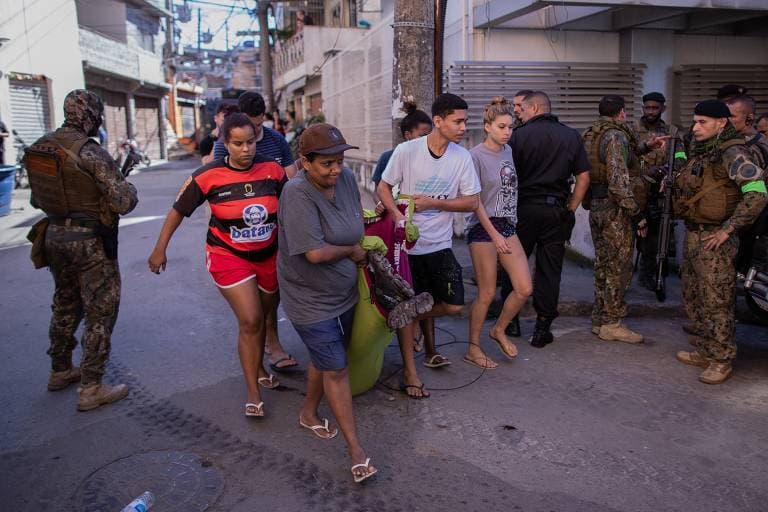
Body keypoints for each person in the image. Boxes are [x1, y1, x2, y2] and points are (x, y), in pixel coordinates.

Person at [148, 113, 287, 416]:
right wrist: (160, 249)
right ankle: (253, 394)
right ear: (225, 142)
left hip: (269, 256)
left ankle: (259, 367)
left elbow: (291, 208)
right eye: (237, 143)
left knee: (264, 315)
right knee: (250, 320)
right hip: (228, 256)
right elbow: (177, 211)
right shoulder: (207, 175)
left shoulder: (273, 171)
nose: (245, 149)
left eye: (250, 142)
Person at [24, 89, 138, 410]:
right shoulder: (90, 152)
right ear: (91, 115)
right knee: (100, 310)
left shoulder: (40, 147)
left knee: (65, 302)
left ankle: (60, 370)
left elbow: (36, 200)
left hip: (54, 237)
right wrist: (126, 185)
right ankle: (92, 387)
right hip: (89, 242)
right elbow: (123, 202)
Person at [277, 123, 377, 483]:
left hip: (344, 291)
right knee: (336, 368)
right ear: (305, 162)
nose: (335, 170)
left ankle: (308, 413)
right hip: (308, 297)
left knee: (327, 359)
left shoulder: (346, 179)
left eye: (339, 161)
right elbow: (316, 253)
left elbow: (355, 224)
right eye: (326, 164)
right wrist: (352, 251)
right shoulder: (296, 193)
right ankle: (357, 452)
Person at [378, 93, 481, 368]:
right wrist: (397, 216)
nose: (463, 127)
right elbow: (383, 187)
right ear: (438, 121)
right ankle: (419, 362)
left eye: (465, 121)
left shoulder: (462, 157)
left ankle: (405, 317)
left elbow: (472, 201)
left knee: (453, 304)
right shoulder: (407, 151)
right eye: (457, 121)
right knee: (418, 297)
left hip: (440, 244)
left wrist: (434, 203)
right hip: (407, 247)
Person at [674, 99, 767, 384]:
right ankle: (706, 350)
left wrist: (729, 229)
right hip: (695, 233)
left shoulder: (733, 151)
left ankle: (721, 359)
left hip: (716, 239)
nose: (696, 127)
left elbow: (757, 193)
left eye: (702, 122)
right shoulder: (705, 150)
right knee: (695, 295)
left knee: (717, 300)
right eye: (695, 121)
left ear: (721, 122)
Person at [214, 91, 299, 373]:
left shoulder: (276, 141)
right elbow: (215, 183)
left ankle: (272, 341)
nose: (248, 144)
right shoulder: (224, 144)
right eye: (242, 139)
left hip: (272, 232)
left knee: (270, 298)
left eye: (257, 128)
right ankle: (258, 359)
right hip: (235, 239)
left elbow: (290, 179)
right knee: (250, 311)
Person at [502, 91, 590, 348]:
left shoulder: (518, 136)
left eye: (523, 109)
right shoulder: (571, 136)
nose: (520, 114)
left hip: (522, 211)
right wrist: (571, 207)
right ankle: (542, 327)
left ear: (535, 108)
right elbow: (583, 177)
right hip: (556, 211)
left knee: (513, 264)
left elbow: (506, 175)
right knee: (550, 270)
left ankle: (511, 321)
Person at [583, 95, 667, 343]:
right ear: (621, 113)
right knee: (618, 268)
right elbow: (618, 180)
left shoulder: (593, 133)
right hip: (615, 209)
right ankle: (612, 322)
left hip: (598, 206)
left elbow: (614, 157)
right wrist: (637, 214)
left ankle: (600, 319)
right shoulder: (616, 135)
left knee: (603, 265)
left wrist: (646, 147)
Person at [465, 97, 532, 369]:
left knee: (524, 288)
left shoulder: (508, 151)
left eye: (510, 127)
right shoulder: (475, 156)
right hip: (483, 227)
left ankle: (498, 330)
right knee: (487, 293)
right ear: (487, 127)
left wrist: (504, 230)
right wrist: (493, 234)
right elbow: (475, 201)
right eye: (502, 127)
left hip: (506, 224)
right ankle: (473, 348)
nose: (507, 132)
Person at [632, 92, 681, 291]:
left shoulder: (672, 131)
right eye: (648, 107)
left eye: (655, 108)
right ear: (642, 108)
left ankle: (649, 274)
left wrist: (668, 171)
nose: (651, 111)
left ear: (663, 109)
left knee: (657, 234)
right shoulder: (633, 130)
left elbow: (680, 157)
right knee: (634, 232)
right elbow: (627, 156)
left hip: (661, 190)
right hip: (637, 189)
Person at [371, 101, 432, 188]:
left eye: (430, 135)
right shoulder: (387, 158)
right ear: (408, 135)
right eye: (423, 136)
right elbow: (378, 191)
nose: (427, 139)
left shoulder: (433, 158)